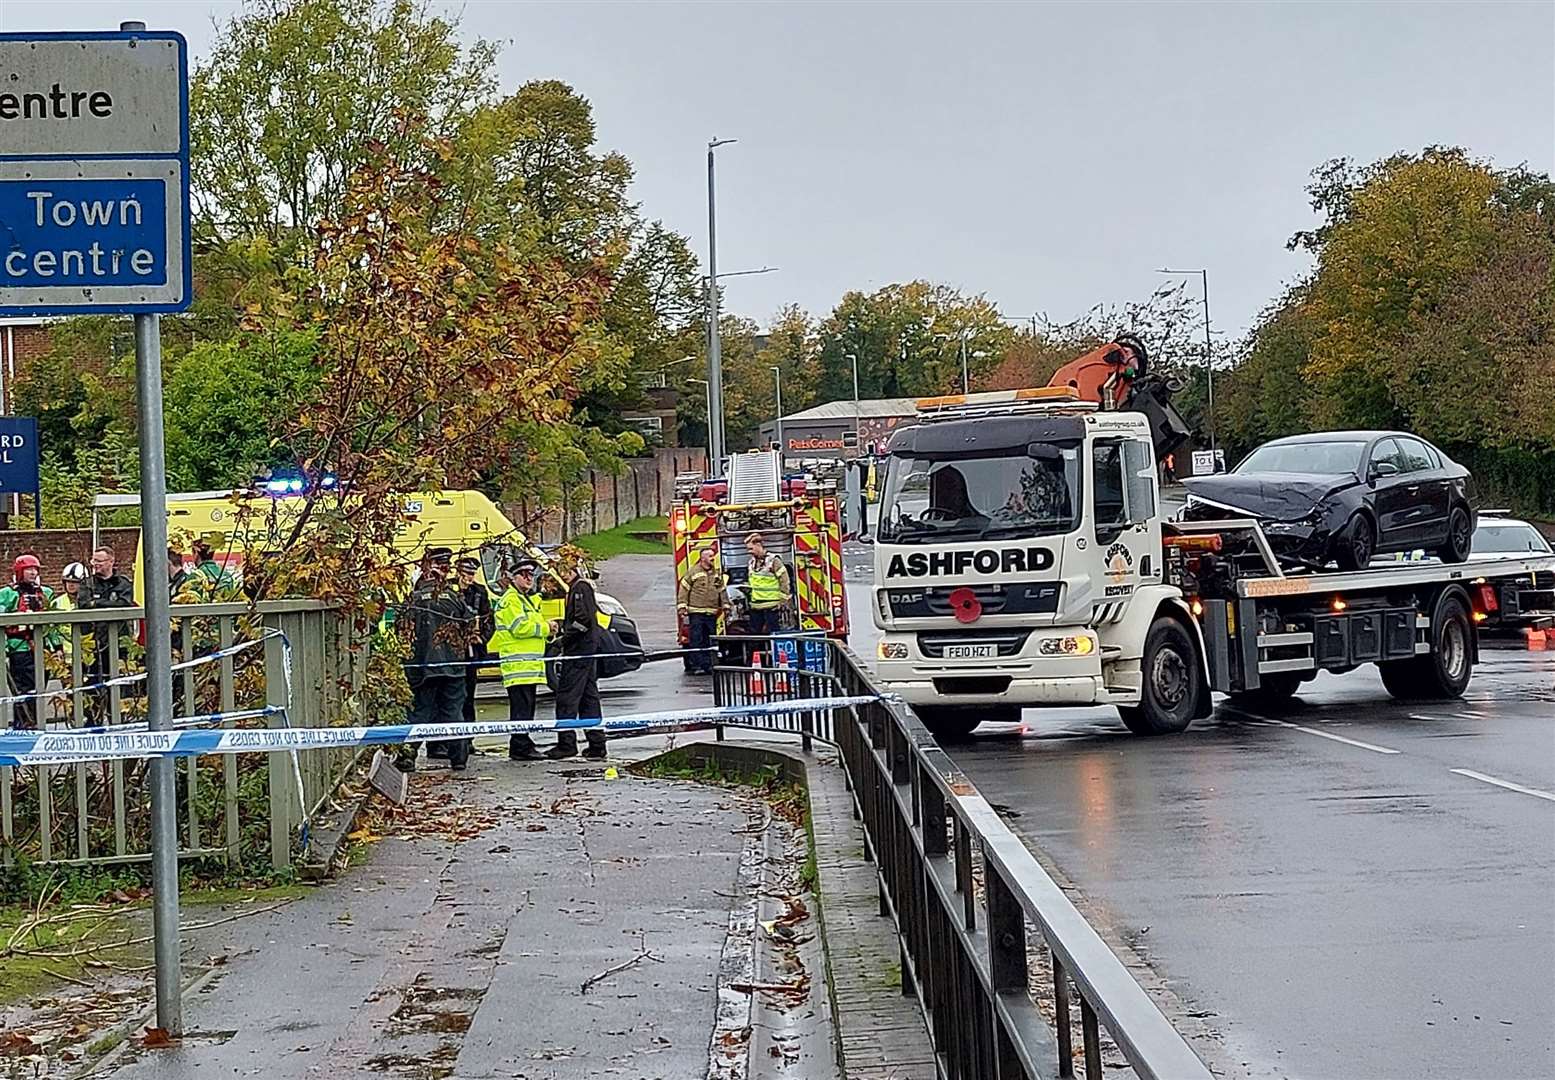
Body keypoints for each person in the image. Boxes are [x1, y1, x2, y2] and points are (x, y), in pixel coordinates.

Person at [398, 547, 474, 771]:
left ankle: (407, 757)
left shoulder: (414, 598)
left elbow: (402, 628)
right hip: (453, 666)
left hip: (423, 667)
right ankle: (459, 758)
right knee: (453, 711)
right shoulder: (453, 597)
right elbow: (470, 624)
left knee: (420, 712)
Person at [487, 558, 549, 761]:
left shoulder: (526, 599)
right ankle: (520, 747)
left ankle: (523, 742)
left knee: (527, 707)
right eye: (524, 575)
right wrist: (548, 628)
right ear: (514, 578)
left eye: (531, 575)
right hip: (518, 665)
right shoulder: (511, 600)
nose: (529, 578)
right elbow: (520, 628)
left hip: (528, 665)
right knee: (521, 709)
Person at [546, 561, 607, 761]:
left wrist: (564, 639)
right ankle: (597, 744)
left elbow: (582, 620)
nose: (562, 575)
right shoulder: (579, 587)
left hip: (578, 651)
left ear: (572, 570)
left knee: (567, 698)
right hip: (586, 651)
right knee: (589, 699)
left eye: (564, 571)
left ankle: (566, 744)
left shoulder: (580, 588)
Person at [0, 555, 54, 730]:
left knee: (39, 689)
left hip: (42, 648)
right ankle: (22, 724)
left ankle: (36, 722)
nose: (33, 572)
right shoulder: (7, 594)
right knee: (23, 689)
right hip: (20, 648)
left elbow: (52, 623)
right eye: (29, 569)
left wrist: (57, 646)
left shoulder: (45, 593)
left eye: (35, 569)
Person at [457, 555, 495, 726]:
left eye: (473, 574)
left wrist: (481, 638)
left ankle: (469, 739)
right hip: (452, 651)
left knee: (469, 696)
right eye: (467, 573)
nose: (470, 577)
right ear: (458, 572)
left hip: (471, 651)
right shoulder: (449, 589)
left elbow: (489, 619)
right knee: (452, 697)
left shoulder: (479, 591)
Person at [677, 547, 726, 676]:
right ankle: (697, 665)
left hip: (711, 612)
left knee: (710, 640)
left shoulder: (715, 573)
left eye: (713, 556)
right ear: (703, 558)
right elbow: (683, 590)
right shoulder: (693, 572)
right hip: (696, 612)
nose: (713, 558)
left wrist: (725, 604)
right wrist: (682, 607)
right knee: (696, 640)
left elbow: (721, 589)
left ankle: (709, 665)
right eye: (710, 556)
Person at [743, 532, 792, 638]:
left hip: (772, 606)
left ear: (758, 545)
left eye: (751, 549)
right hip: (756, 606)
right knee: (755, 635)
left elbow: (785, 581)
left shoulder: (774, 561)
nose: (749, 552)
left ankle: (776, 654)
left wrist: (783, 601)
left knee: (774, 634)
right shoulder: (751, 563)